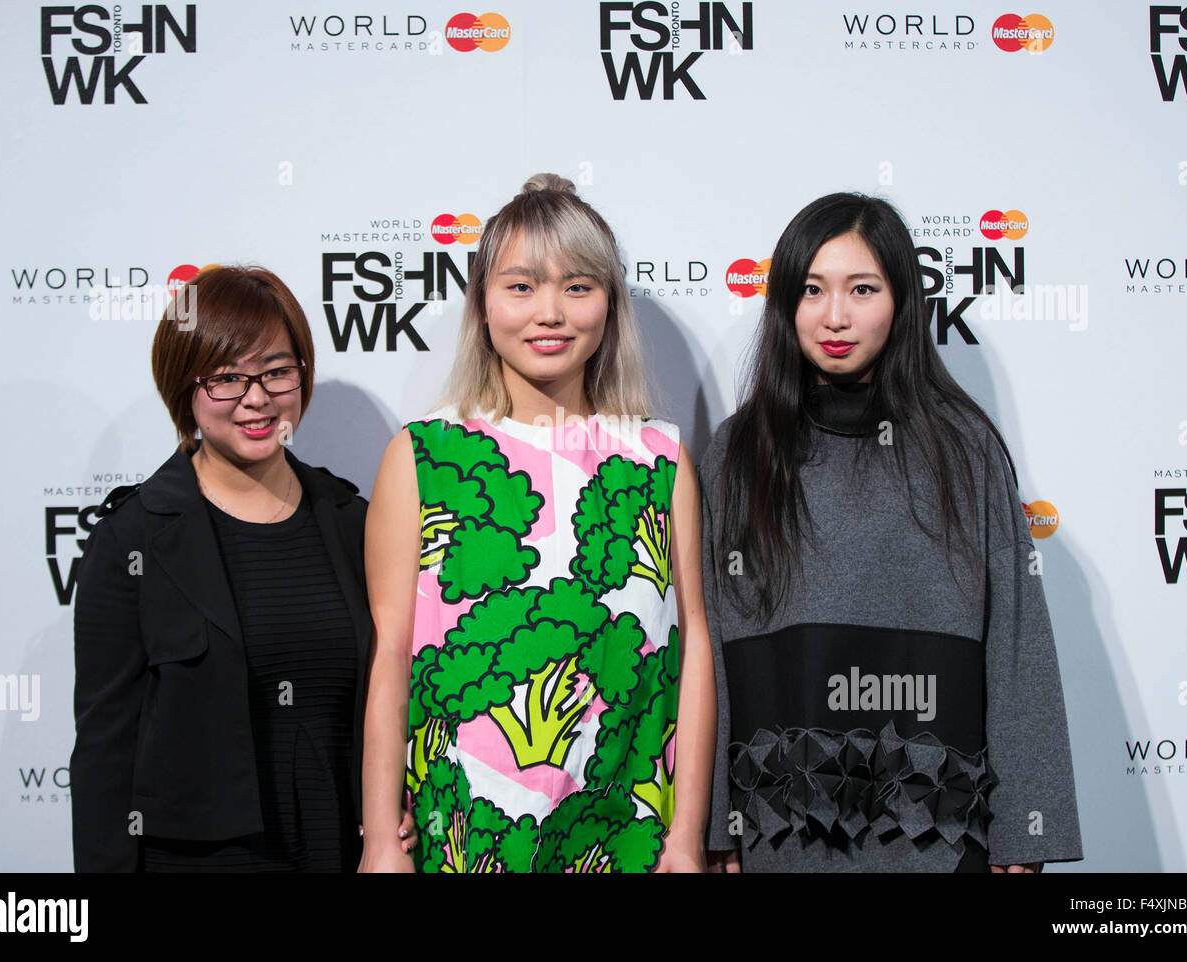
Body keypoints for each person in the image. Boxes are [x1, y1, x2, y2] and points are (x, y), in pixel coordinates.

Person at [701, 193, 1082, 873]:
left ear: (903, 301)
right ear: (785, 301)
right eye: (812, 290)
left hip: (938, 837)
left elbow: (1017, 646)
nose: (836, 316)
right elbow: (713, 651)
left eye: (862, 289)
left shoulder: (965, 449)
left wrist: (1030, 831)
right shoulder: (739, 453)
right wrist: (715, 827)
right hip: (782, 836)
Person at [358, 174, 716, 873]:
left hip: (625, 834)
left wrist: (685, 837)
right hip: (460, 836)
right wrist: (378, 837)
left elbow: (693, 648)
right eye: (521, 286)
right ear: (483, 307)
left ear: (610, 307)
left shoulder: (661, 460)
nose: (549, 312)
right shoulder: (424, 455)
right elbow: (391, 655)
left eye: (578, 286)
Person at [70, 265, 415, 871]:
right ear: (185, 386)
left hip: (342, 853)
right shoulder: (134, 538)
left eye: (277, 372)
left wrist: (392, 814)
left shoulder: (352, 520)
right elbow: (105, 752)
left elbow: (392, 693)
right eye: (226, 378)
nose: (257, 399)